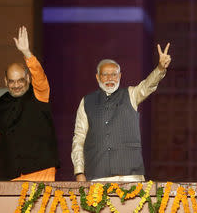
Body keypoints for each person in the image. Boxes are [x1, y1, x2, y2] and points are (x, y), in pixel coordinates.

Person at [71, 43, 171, 181]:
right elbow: (79, 138)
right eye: (105, 75)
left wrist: (160, 68)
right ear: (97, 77)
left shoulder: (131, 94)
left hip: (130, 176)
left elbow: (148, 85)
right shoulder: (87, 101)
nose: (110, 78)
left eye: (114, 74)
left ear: (120, 76)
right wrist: (79, 171)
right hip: (97, 175)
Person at [0, 26, 60, 181]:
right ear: (5, 81)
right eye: (12, 82)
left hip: (41, 171)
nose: (17, 85)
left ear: (27, 78)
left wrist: (27, 53)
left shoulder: (39, 93)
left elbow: (39, 76)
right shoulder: (0, 104)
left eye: (20, 80)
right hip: (10, 173)